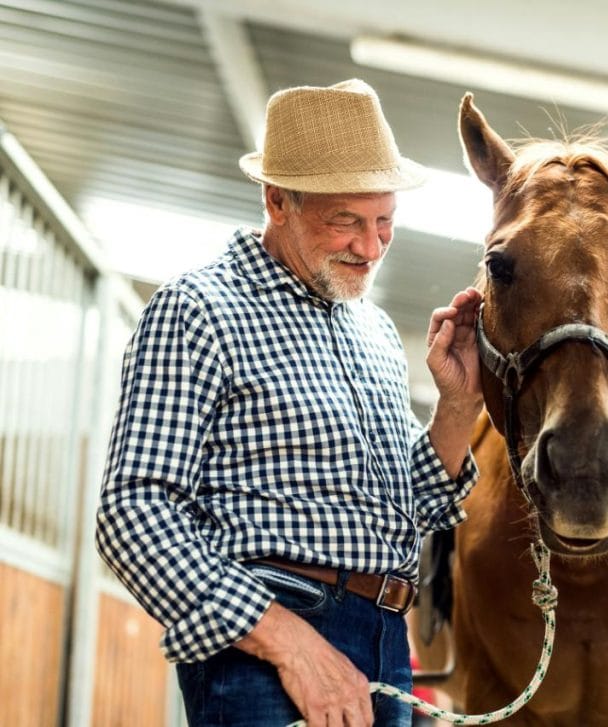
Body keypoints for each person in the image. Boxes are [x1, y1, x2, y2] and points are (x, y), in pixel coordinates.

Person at [95, 79, 483, 727]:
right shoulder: (200, 309)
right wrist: (289, 642)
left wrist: (457, 405)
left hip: (385, 642)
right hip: (271, 643)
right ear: (277, 200)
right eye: (345, 222)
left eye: (384, 221)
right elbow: (132, 511)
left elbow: (408, 508)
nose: (371, 246)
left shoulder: (376, 331)